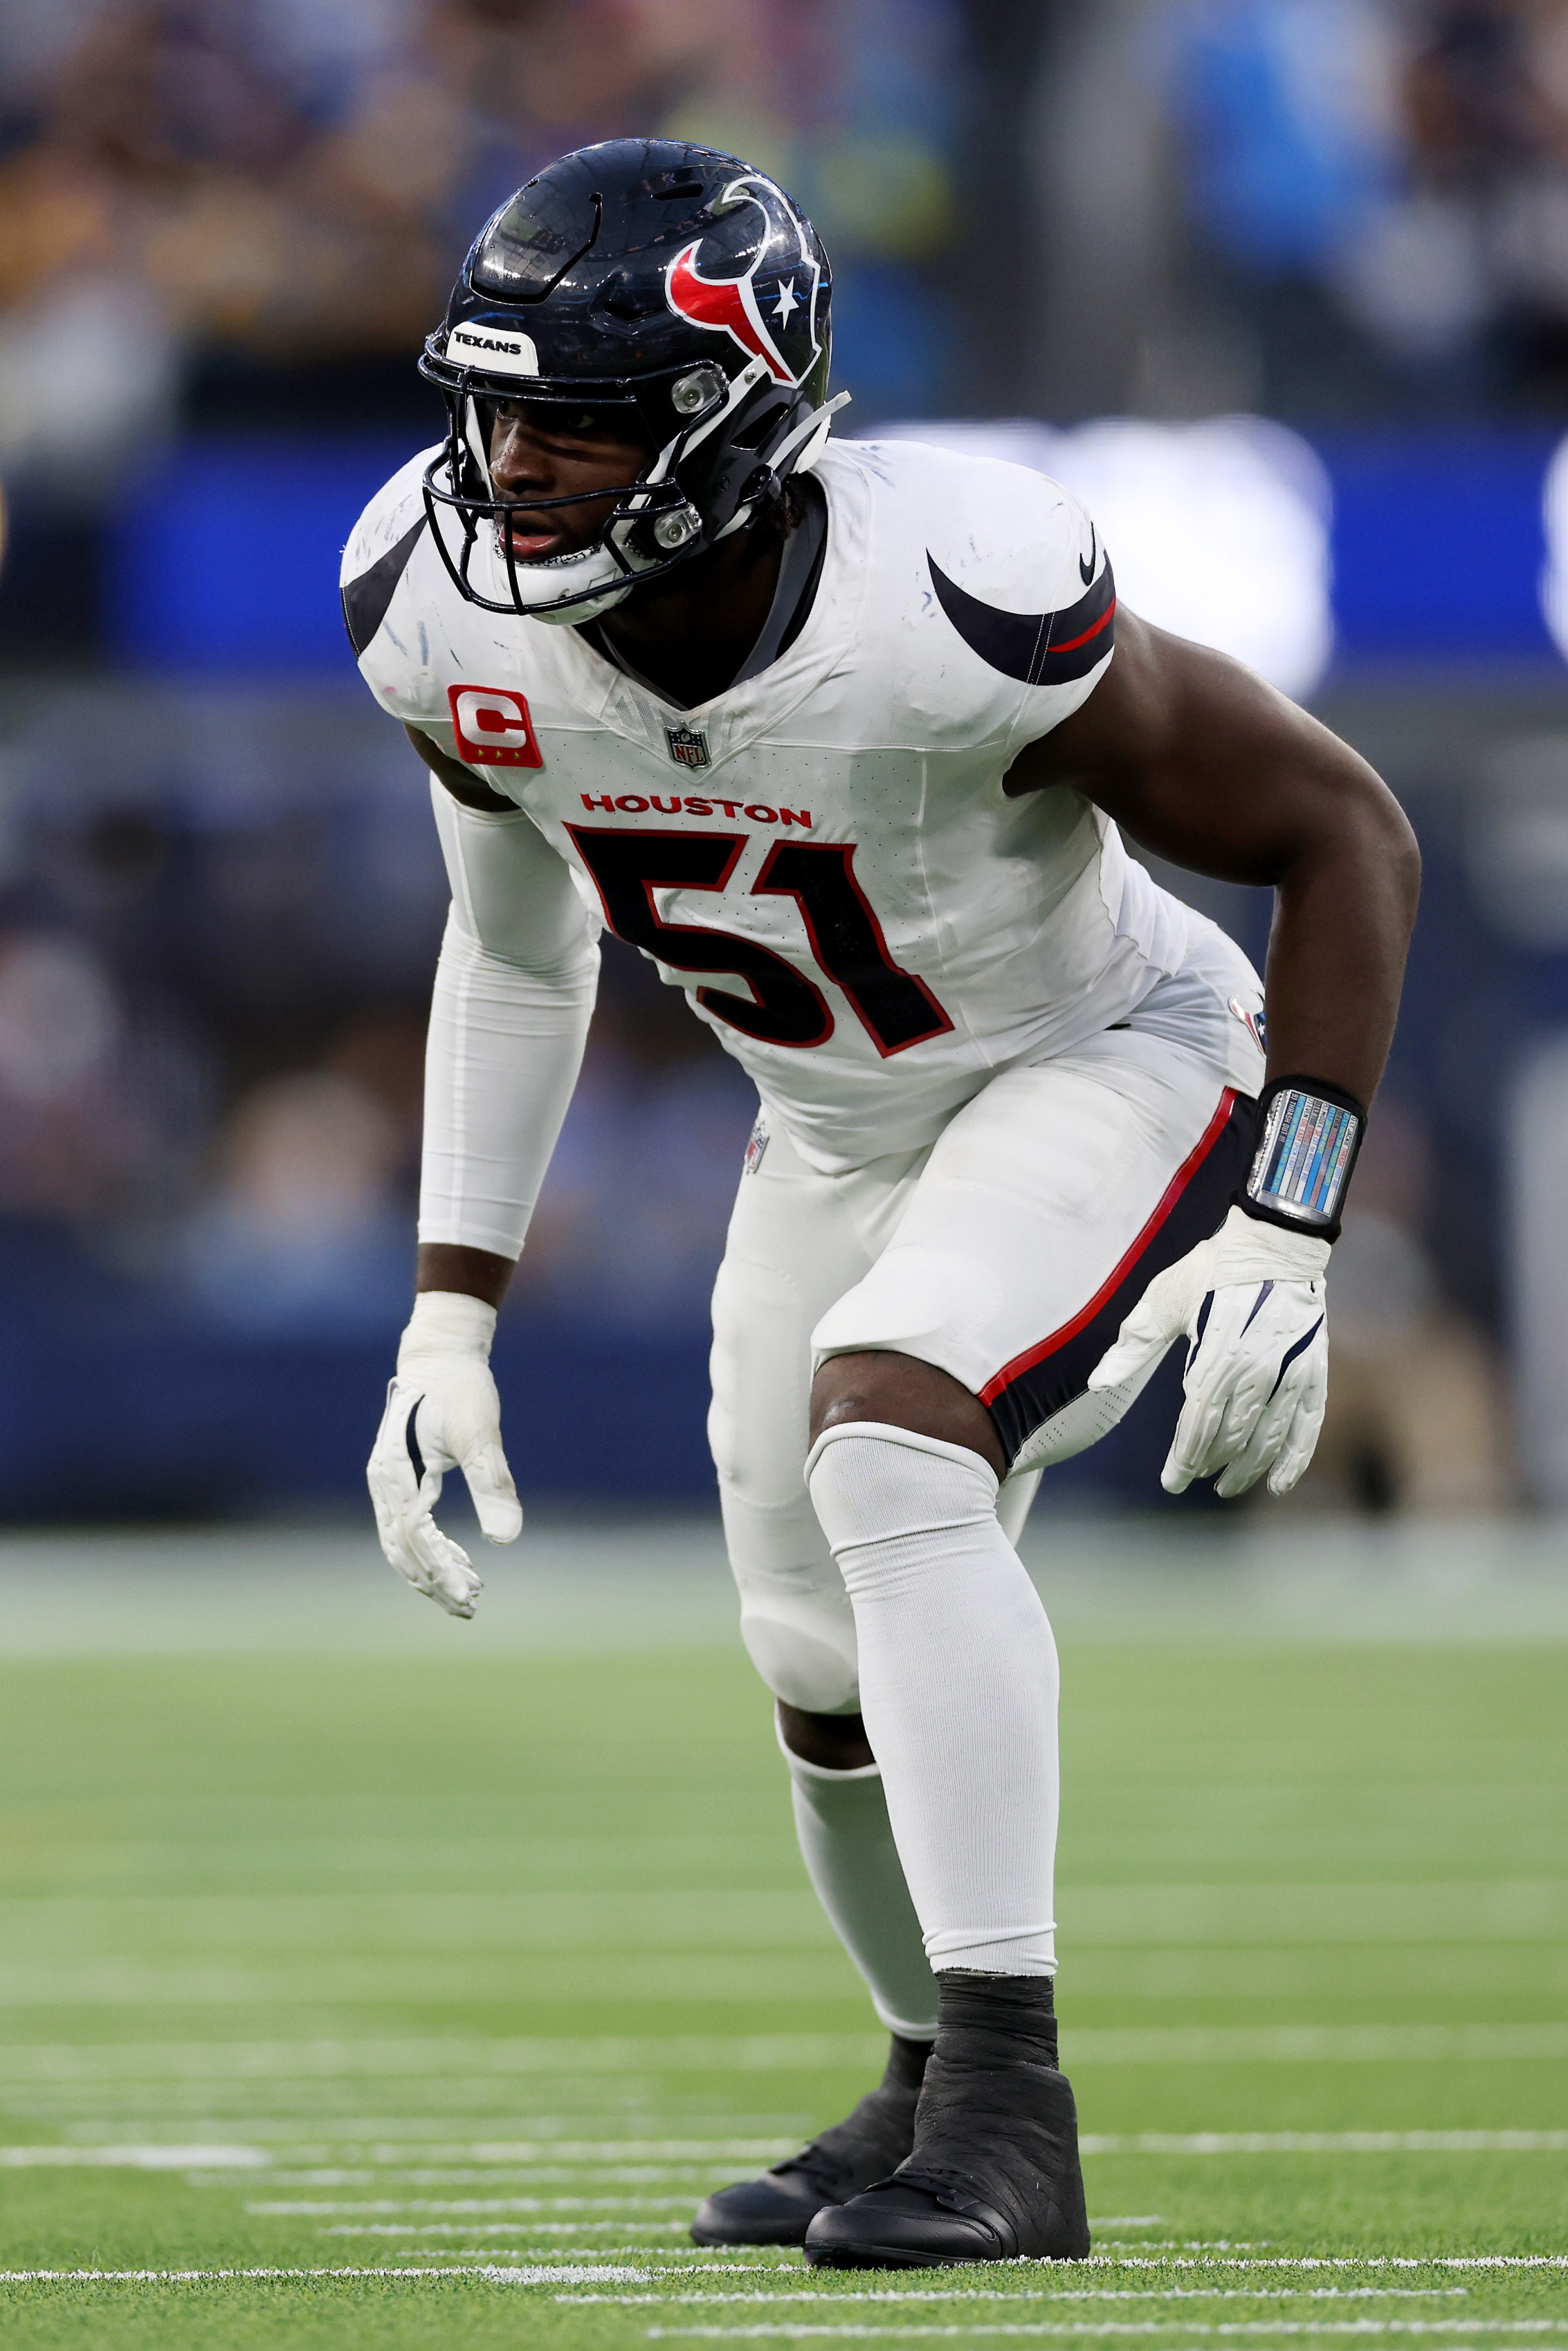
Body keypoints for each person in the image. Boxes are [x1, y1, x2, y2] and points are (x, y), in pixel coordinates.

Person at [348, 139, 1419, 2271]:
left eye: (577, 420)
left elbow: (1342, 826)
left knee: (895, 1422)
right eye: (495, 413)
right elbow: (519, 946)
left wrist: (1292, 1222)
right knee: (804, 1641)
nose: (516, 469)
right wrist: (448, 1308)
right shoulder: (434, 606)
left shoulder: (947, 594)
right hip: (836, 1123)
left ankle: (1018, 2113)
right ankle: (927, 2073)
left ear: (737, 417)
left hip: (1108, 1055)